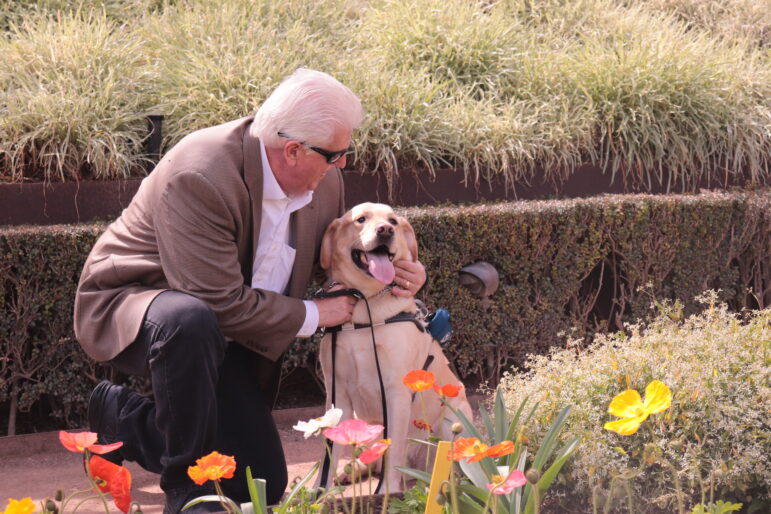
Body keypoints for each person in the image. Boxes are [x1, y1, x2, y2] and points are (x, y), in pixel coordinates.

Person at [73, 68, 425, 513]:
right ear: (293, 150)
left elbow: (335, 263)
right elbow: (214, 300)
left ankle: (122, 416)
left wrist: (400, 274)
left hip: (228, 329)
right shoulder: (200, 172)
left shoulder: (322, 179)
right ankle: (188, 492)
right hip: (138, 303)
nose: (343, 165)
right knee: (188, 319)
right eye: (336, 155)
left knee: (259, 481)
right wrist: (319, 313)